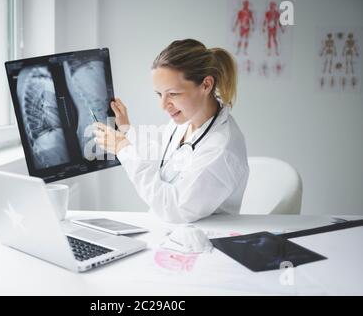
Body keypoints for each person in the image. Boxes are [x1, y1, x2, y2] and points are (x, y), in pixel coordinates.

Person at [93, 39, 249, 223]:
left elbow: (175, 209)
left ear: (206, 85)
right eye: (159, 94)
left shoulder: (221, 149)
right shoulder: (184, 121)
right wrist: (127, 131)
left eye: (173, 94)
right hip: (169, 233)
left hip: (200, 241)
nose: (163, 105)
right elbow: (163, 162)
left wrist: (122, 149)